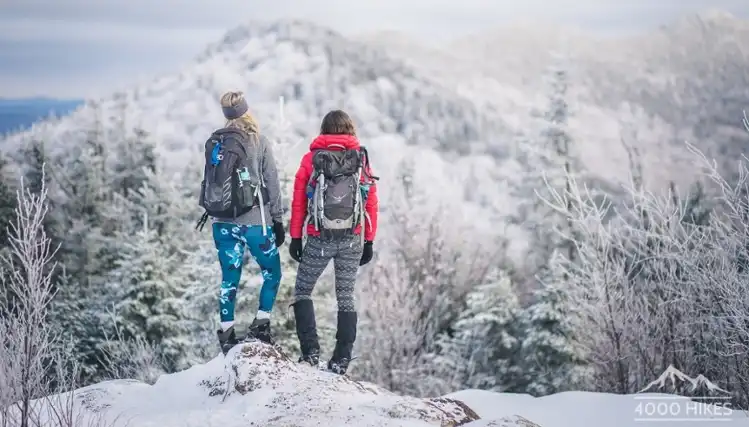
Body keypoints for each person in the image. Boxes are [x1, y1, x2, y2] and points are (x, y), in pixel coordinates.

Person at [288, 109, 379, 374]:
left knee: (303, 291)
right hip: (352, 238)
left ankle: (310, 354)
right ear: (350, 130)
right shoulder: (360, 159)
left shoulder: (311, 159)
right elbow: (371, 201)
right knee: (346, 297)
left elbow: (298, 202)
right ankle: (340, 361)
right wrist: (369, 241)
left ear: (323, 130)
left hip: (319, 238)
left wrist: (296, 237)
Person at [196, 91, 286, 355]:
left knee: (229, 278)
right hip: (255, 222)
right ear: (248, 111)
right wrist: (278, 220)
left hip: (221, 222)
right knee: (272, 273)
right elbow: (272, 182)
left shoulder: (216, 143)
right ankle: (261, 324)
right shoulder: (258, 141)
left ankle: (226, 331)